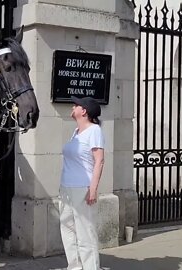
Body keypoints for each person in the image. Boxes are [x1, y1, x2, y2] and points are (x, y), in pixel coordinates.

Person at [59, 96, 104, 270]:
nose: (73, 107)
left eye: (76, 105)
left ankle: (91, 267)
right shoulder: (76, 132)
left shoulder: (94, 131)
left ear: (84, 111)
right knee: (68, 229)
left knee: (85, 232)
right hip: (66, 188)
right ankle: (75, 266)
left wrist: (93, 189)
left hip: (82, 188)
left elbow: (99, 161)